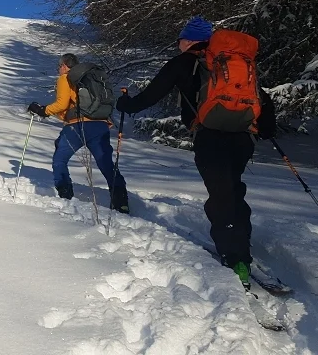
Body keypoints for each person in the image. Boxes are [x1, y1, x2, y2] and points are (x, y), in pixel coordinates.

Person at [115, 17, 276, 289]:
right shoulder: (230, 62)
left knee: (221, 194)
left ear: (188, 41)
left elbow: (151, 95)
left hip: (209, 136)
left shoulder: (185, 62)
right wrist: (265, 129)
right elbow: (262, 98)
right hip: (243, 137)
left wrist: (126, 105)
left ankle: (235, 256)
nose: (179, 44)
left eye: (180, 40)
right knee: (234, 188)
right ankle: (241, 245)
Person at [28, 53, 129, 212]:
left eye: (59, 67)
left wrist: (43, 111)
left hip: (77, 126)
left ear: (64, 66)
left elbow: (62, 104)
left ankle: (65, 197)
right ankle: (121, 201)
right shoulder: (90, 78)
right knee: (106, 164)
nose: (58, 70)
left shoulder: (66, 78)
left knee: (59, 160)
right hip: (100, 125)